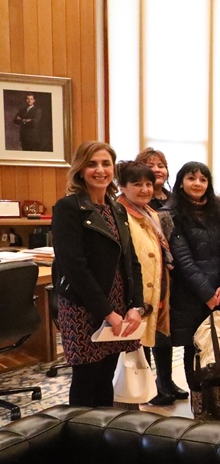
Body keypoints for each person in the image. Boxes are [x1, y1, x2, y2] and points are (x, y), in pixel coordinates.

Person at [52, 142, 144, 407]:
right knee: (86, 378)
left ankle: (103, 437)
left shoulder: (118, 209)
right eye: (92, 164)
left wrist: (135, 306)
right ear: (81, 170)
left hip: (116, 306)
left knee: (106, 376)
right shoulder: (68, 208)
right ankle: (79, 441)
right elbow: (74, 268)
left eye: (105, 164)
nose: (100, 170)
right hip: (84, 307)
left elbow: (131, 261)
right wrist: (107, 312)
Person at [167, 161, 220, 421]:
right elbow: (183, 260)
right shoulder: (172, 214)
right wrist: (207, 293)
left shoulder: (218, 211)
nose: (197, 184)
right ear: (181, 182)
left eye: (202, 179)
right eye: (191, 178)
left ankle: (215, 401)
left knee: (218, 347)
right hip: (190, 295)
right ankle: (197, 403)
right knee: (195, 349)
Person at [115, 161, 175, 405]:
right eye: (137, 184)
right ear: (122, 186)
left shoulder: (150, 213)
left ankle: (148, 390)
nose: (145, 189)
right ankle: (130, 400)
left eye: (148, 184)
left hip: (154, 287)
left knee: (148, 341)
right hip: (129, 294)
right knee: (130, 352)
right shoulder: (118, 213)